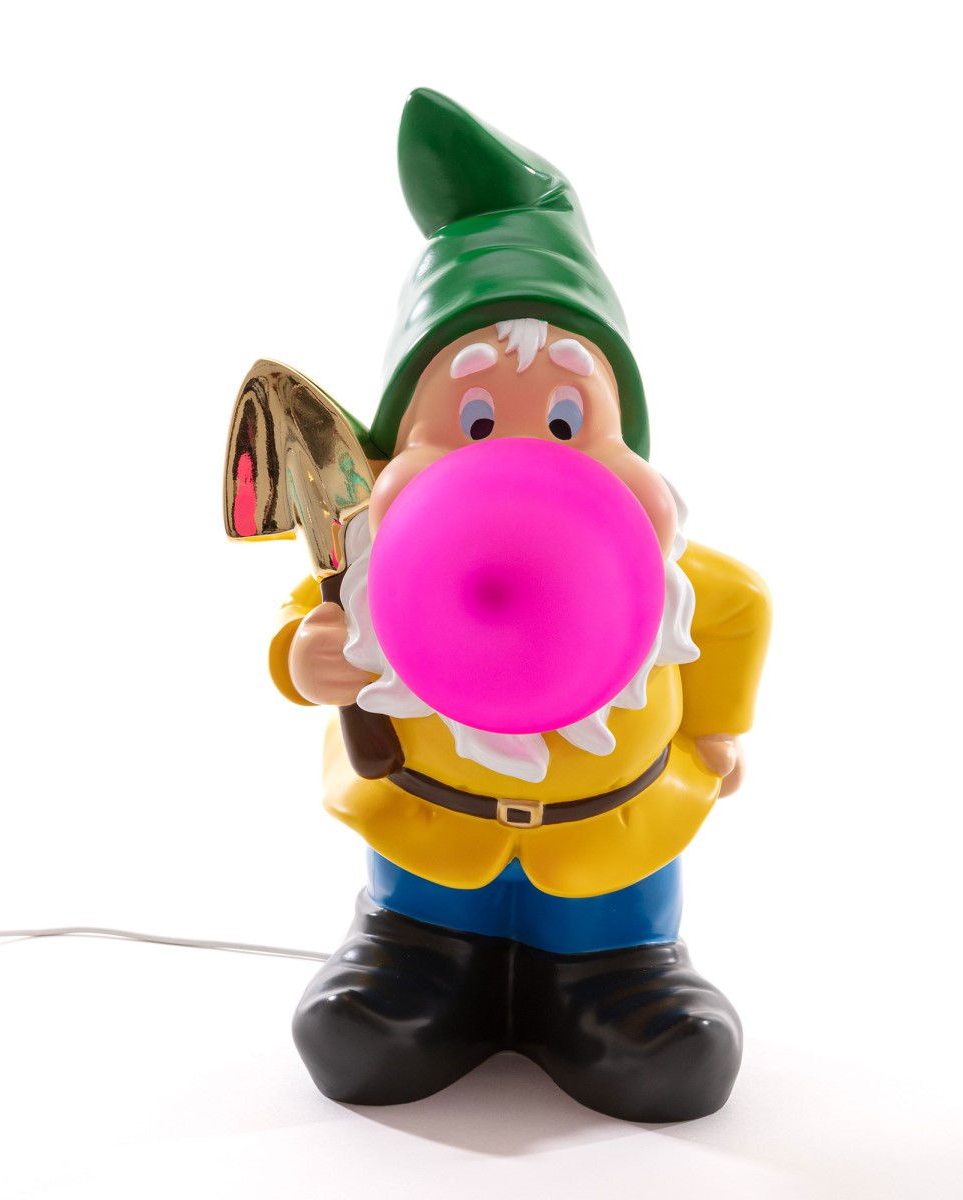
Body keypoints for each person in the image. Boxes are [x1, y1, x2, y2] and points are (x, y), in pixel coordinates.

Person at [267, 89, 771, 1123]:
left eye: (569, 422)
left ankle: (619, 978)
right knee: (372, 1031)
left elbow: (737, 610)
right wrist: (310, 656)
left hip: (611, 849)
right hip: (428, 842)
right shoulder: (369, 571)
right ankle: (413, 959)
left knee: (658, 1049)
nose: (525, 466)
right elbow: (300, 632)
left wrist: (718, 726)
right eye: (478, 420)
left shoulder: (664, 576)